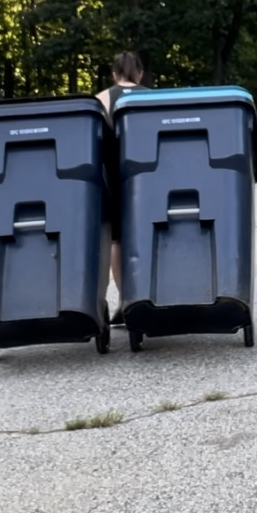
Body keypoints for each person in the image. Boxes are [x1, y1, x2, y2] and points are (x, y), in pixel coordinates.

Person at [96, 51, 149, 325]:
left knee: (116, 239)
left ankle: (124, 299)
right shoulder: (151, 97)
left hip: (113, 174)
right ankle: (149, 294)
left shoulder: (102, 99)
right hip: (148, 174)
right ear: (139, 73)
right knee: (148, 232)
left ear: (114, 73)